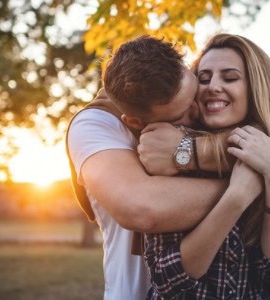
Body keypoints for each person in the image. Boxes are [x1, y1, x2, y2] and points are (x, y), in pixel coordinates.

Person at [139, 33, 270, 299]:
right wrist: (236, 197)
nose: (213, 86)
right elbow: (168, 278)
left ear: (256, 88)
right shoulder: (174, 147)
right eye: (204, 79)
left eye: (229, 78)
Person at [66, 36, 231, 300]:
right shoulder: (95, 124)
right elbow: (142, 210)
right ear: (133, 120)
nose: (199, 111)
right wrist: (246, 188)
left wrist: (190, 152)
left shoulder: (210, 98)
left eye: (193, 94)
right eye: (182, 115)